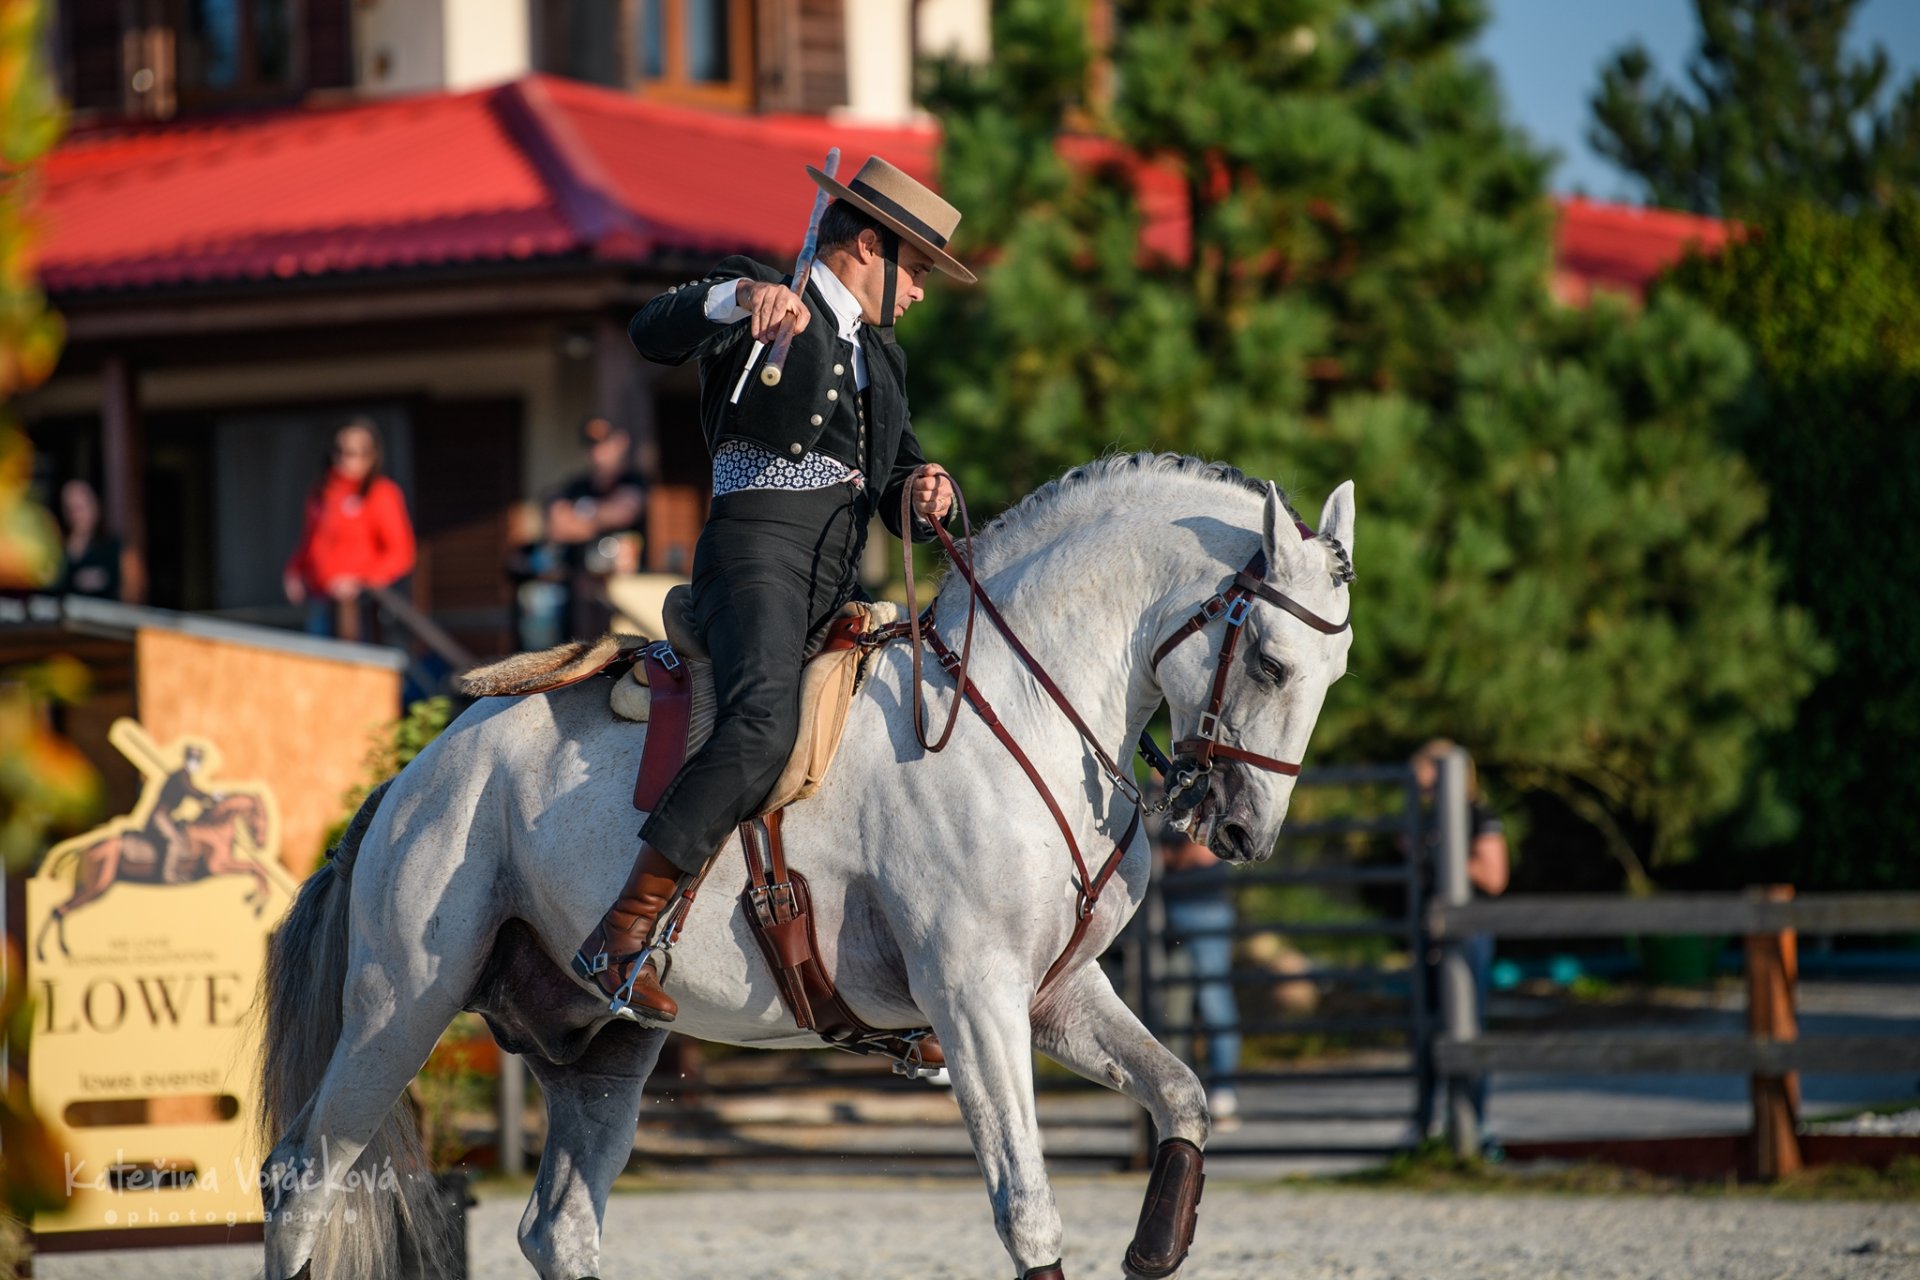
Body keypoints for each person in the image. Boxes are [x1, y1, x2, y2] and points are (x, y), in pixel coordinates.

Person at [572, 156, 973, 1022]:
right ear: (871, 244)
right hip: (755, 551)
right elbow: (652, 329)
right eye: (921, 273)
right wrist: (737, 302)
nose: (922, 296)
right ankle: (620, 934)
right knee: (761, 723)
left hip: (837, 572)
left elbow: (893, 483)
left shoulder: (885, 360)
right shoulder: (757, 299)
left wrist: (924, 489)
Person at [1411, 738, 1509, 1147]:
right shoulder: (1427, 815)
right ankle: (1426, 1122)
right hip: (1431, 931)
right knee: (1425, 1027)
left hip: (1469, 932)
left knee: (1469, 1026)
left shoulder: (1477, 815)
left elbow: (1494, 877)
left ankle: (1476, 1121)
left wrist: (1449, 857)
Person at [283, 418, 416, 641]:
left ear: (372, 455)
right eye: (341, 450)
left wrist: (359, 581)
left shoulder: (381, 493)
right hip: (320, 600)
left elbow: (401, 553)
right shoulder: (320, 493)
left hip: (361, 609)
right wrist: (294, 570)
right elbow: (310, 542)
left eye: (356, 452)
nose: (346, 458)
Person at [1158, 821, 1244, 1125]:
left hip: (1202, 907)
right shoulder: (1150, 794)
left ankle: (1223, 1090)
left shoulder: (1204, 780)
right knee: (1167, 1005)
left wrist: (1165, 859)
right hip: (1161, 908)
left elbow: (1204, 852)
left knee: (1213, 998)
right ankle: (1174, 1095)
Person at [545, 416, 649, 638]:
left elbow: (625, 512)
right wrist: (602, 516)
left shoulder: (635, 480)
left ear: (621, 442)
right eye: (592, 446)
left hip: (623, 596)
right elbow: (557, 527)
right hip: (580, 593)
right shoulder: (575, 486)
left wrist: (581, 516)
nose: (598, 452)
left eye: (605, 443)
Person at [142, 743, 220, 884]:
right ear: (187, 759)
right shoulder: (181, 775)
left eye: (198, 760)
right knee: (175, 841)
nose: (196, 763)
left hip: (169, 816)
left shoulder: (185, 776)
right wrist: (210, 796)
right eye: (194, 760)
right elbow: (191, 791)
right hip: (159, 816)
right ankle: (169, 875)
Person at [54, 479, 123, 599]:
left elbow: (131, 596)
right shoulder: (56, 550)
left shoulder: (113, 548)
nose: (75, 515)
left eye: (80, 508)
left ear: (95, 507)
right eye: (70, 509)